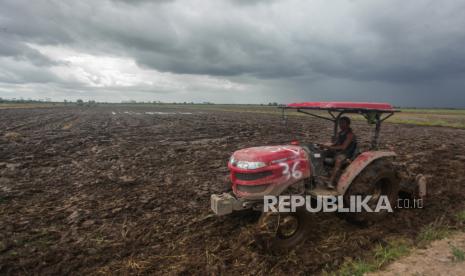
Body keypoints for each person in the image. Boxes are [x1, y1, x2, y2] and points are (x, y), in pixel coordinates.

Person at [322, 116, 357, 189]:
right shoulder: (340, 133)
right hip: (338, 152)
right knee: (320, 154)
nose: (341, 125)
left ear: (348, 124)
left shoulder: (350, 135)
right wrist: (325, 146)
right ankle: (322, 174)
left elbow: (343, 147)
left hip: (346, 153)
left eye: (343, 123)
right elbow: (336, 143)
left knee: (338, 160)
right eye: (340, 123)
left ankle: (330, 181)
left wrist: (330, 147)